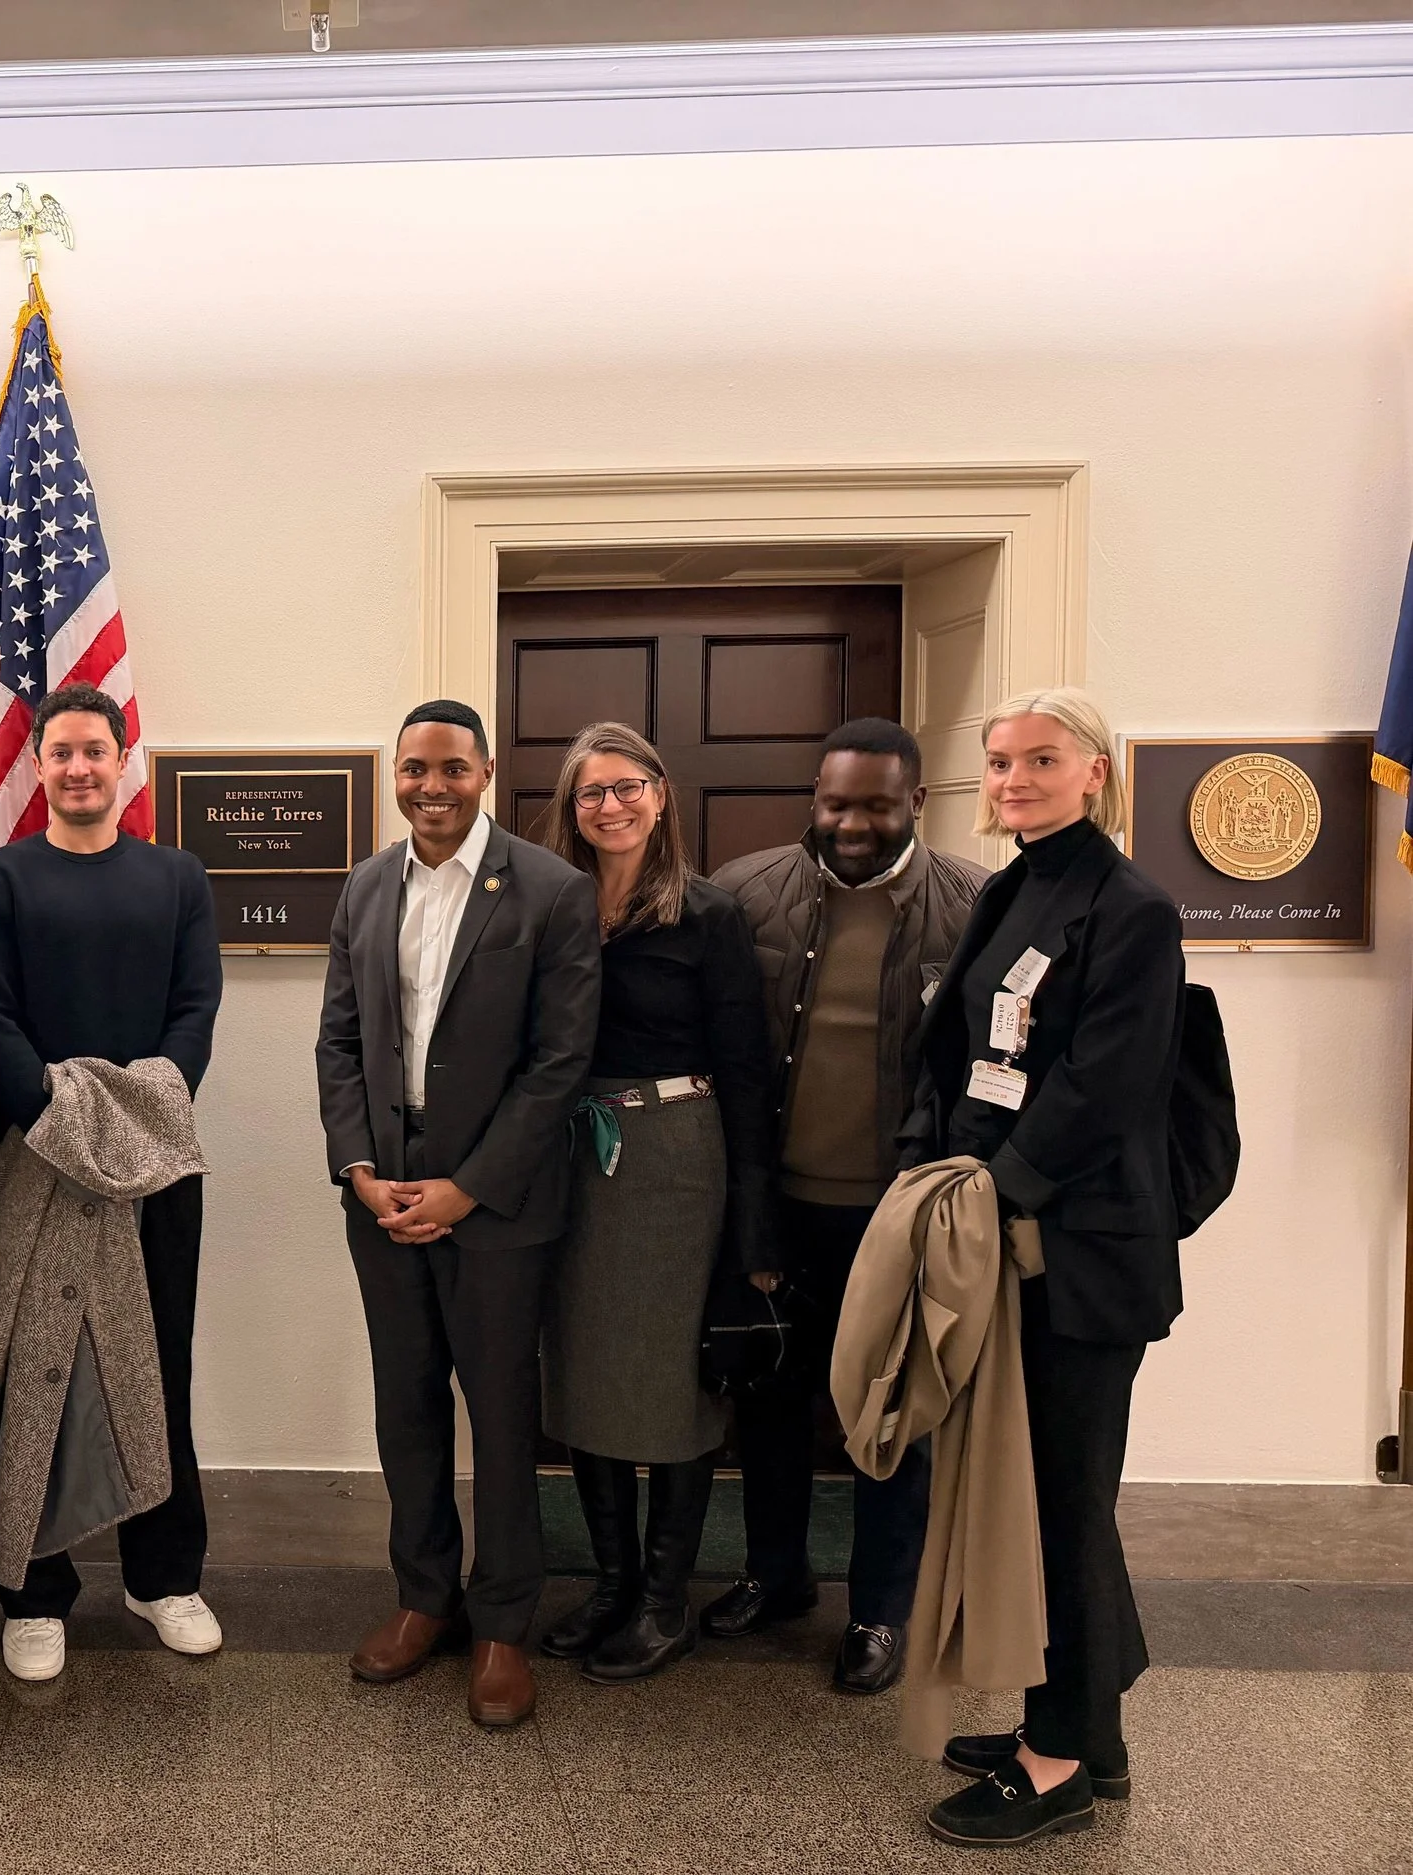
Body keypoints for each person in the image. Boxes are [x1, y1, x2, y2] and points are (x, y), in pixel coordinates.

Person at [902, 689, 1184, 1849]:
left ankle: (1055, 1764)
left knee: (1067, 1502)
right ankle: (1087, 1729)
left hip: (1073, 1253)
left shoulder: (1133, 908)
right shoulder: (1013, 888)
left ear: (1096, 774)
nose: (1011, 780)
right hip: (1003, 1235)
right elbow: (966, 1050)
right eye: (1000, 762)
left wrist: (993, 1189)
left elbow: (1102, 1086)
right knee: (1049, 1497)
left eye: (1039, 760)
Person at [315, 700, 600, 1730]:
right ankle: (422, 1598)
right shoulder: (362, 887)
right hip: (383, 1197)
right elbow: (338, 1042)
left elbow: (559, 1062)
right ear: (396, 776)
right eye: (413, 770)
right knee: (407, 1409)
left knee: (501, 1415)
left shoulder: (552, 891)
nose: (429, 787)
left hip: (497, 1203)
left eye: (450, 769)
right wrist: (358, 1167)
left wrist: (467, 1187)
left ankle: (502, 1622)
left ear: (484, 773)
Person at [705, 719, 988, 1693]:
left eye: (874, 804)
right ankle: (775, 1575)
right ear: (813, 800)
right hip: (777, 1203)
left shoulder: (971, 909)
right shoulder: (745, 895)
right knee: (771, 1402)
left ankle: (878, 1611)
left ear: (915, 802)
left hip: (897, 1216)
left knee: (887, 1414)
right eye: (835, 803)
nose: (851, 822)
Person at [0, 680, 224, 1683]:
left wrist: (129, 1135)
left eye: (93, 750)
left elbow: (193, 1014)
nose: (76, 766)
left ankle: (164, 1577)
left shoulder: (177, 877)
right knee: (40, 1374)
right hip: (36, 1163)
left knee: (158, 1370)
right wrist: (67, 1128)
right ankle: (33, 1590)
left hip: (157, 1171)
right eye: (58, 751)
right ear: (38, 766)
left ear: (122, 762)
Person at [533, 722, 771, 1685]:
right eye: (591, 792)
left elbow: (750, 1075)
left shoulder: (708, 916)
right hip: (576, 1158)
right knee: (585, 1373)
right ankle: (612, 1580)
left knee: (673, 1386)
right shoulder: (552, 908)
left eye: (628, 786)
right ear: (571, 807)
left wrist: (754, 1230)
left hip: (677, 1159)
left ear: (661, 795)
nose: (611, 806)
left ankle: (666, 1600)